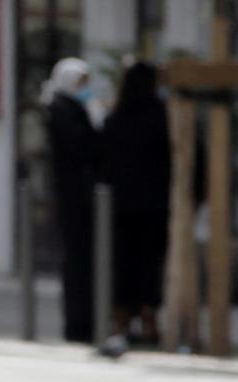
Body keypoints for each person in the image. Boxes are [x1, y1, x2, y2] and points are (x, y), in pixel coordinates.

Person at [100, 61, 170, 345]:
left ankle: (121, 322)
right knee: (150, 264)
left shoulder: (117, 117)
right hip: (155, 204)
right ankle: (148, 321)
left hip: (120, 205)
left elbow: (101, 159)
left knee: (122, 264)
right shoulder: (162, 116)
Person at [43, 57, 102, 343]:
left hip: (87, 198)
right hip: (72, 198)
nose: (85, 88)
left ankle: (88, 322)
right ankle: (77, 325)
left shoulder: (76, 108)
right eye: (80, 83)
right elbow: (79, 148)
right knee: (76, 264)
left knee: (88, 264)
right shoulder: (60, 110)